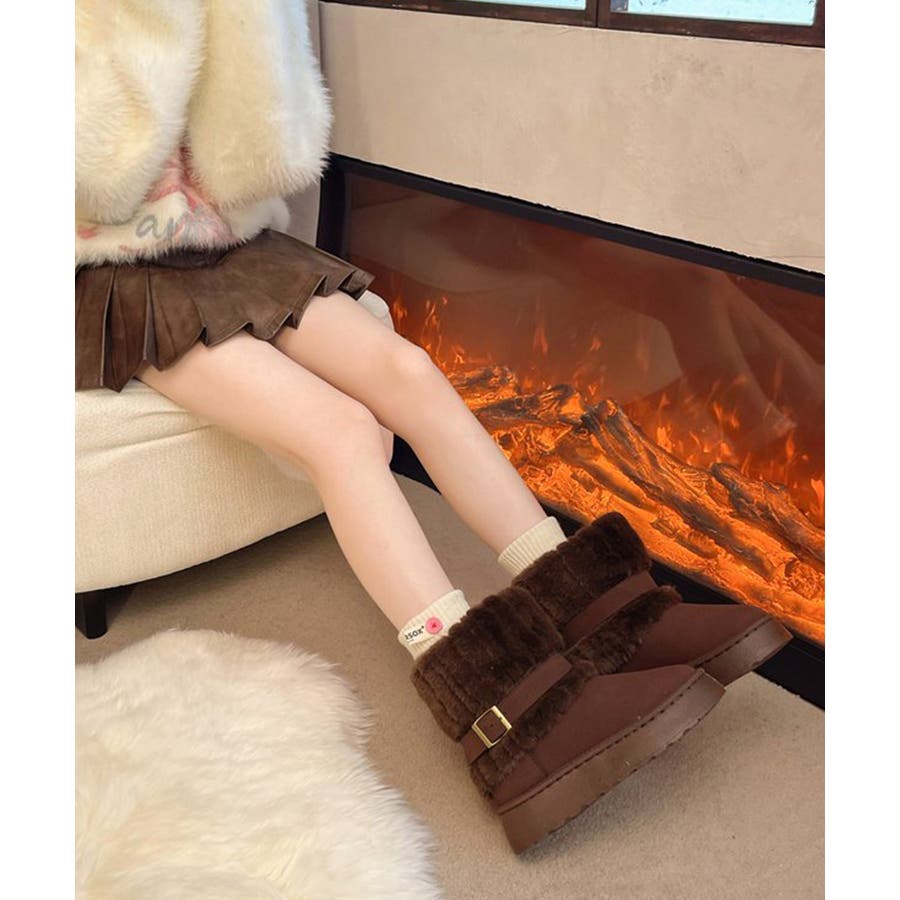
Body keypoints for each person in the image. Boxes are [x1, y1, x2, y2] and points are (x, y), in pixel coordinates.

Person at [75, 0, 790, 853]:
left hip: (228, 247)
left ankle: (600, 610)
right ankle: (503, 714)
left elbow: (269, 152)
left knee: (409, 371)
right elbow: (95, 174)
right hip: (111, 269)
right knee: (340, 431)